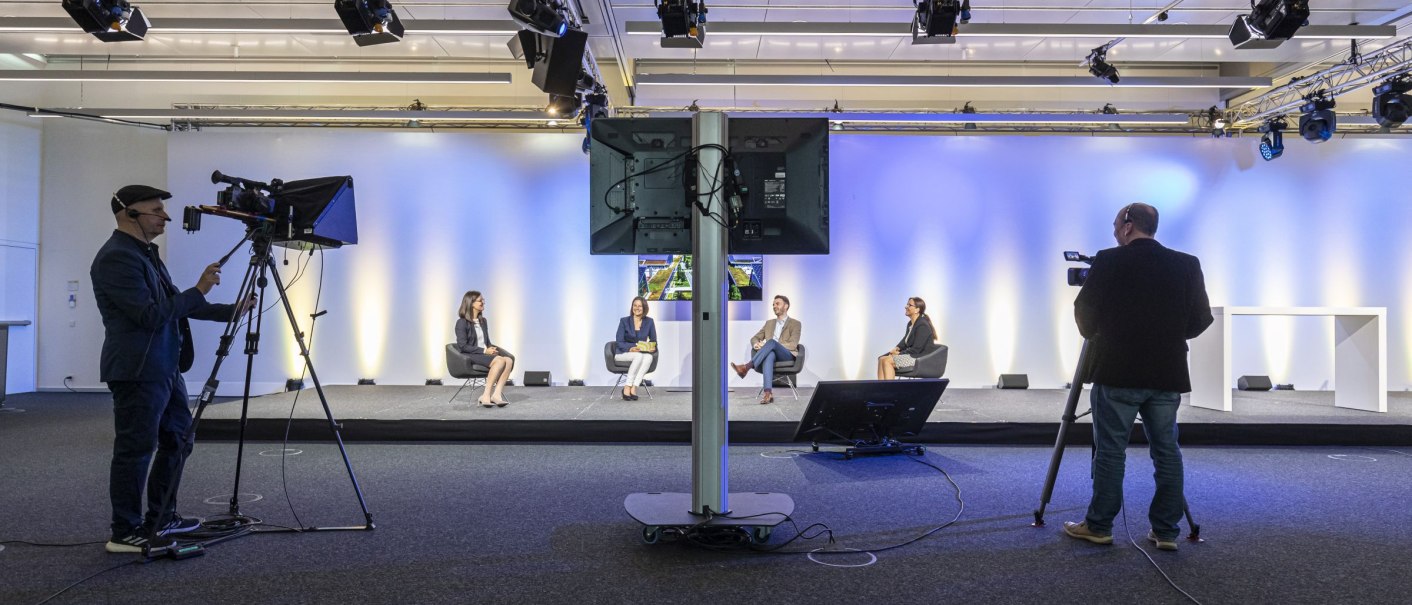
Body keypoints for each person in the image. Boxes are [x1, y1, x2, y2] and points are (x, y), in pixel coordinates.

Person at [92, 185, 252, 554]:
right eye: (156, 211)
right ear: (130, 213)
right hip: (138, 370)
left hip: (164, 367)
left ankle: (162, 517)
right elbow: (150, 316)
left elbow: (176, 304)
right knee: (135, 449)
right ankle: (124, 531)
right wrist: (199, 289)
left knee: (179, 440)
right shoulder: (116, 258)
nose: (165, 217)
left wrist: (231, 310)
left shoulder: (146, 255)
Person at [1063, 203, 1213, 552]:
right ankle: (1166, 531)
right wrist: (1169, 338)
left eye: (1116, 224)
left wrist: (1097, 335)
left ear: (1128, 226)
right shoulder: (1187, 263)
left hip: (1116, 370)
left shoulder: (1108, 260)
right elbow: (1201, 318)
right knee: (1167, 452)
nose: (1114, 231)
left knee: (1110, 452)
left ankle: (1099, 526)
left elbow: (1084, 309)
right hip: (1167, 371)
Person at [730, 295, 801, 404]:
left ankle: (746, 367)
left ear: (786, 306)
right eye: (773, 304)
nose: (774, 306)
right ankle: (768, 393)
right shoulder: (769, 323)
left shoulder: (795, 323)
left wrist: (770, 344)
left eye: (777, 304)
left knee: (771, 342)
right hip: (771, 353)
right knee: (770, 354)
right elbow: (754, 338)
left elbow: (793, 344)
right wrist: (756, 345)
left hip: (786, 355)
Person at [455, 291, 515, 407]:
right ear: (471, 303)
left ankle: (496, 395)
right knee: (499, 361)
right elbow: (463, 346)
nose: (483, 302)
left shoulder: (483, 321)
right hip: (471, 355)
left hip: (483, 354)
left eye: (483, 300)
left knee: (508, 360)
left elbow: (486, 342)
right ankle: (485, 395)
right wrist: (484, 351)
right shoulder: (461, 322)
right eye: (480, 300)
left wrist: (490, 348)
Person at [878, 297, 935, 380]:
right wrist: (896, 348)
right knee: (881, 359)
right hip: (912, 355)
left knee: (887, 361)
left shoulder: (922, 325)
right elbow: (905, 341)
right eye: (907, 304)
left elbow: (916, 349)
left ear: (917, 310)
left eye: (909, 305)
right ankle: (881, 387)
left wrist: (898, 354)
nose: (906, 307)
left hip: (919, 358)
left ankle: (889, 387)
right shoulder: (910, 324)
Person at [613, 296, 657, 401]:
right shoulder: (624, 321)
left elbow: (653, 341)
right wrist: (630, 348)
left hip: (639, 354)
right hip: (622, 353)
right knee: (638, 356)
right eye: (635, 305)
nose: (637, 308)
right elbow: (619, 341)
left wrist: (652, 348)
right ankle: (627, 386)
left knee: (649, 357)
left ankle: (634, 387)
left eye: (639, 306)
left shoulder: (649, 322)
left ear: (644, 308)